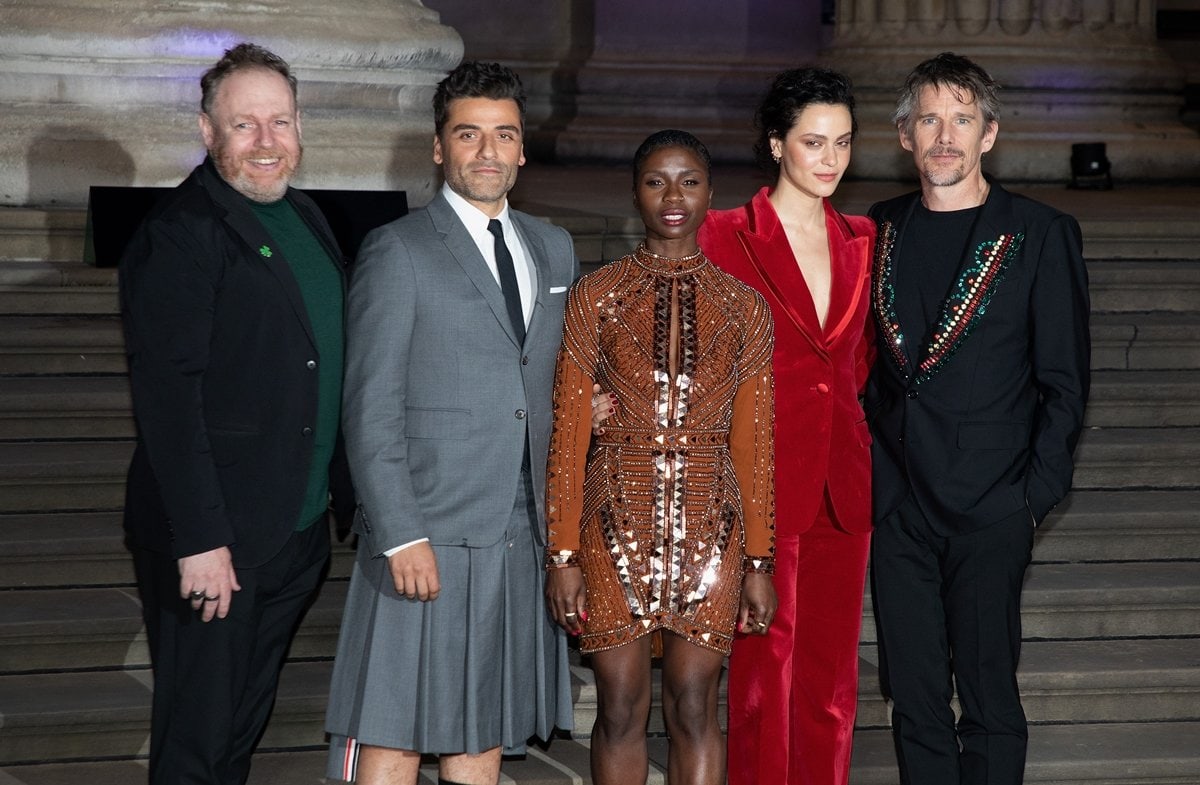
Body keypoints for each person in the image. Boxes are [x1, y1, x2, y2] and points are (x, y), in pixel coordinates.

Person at [324, 61, 576, 785]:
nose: (488, 152)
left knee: (485, 730)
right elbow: (369, 404)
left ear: (524, 149)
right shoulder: (396, 250)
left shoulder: (551, 247)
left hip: (518, 535)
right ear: (439, 148)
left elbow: (549, 380)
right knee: (395, 730)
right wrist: (401, 530)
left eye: (505, 135)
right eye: (469, 135)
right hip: (425, 534)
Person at [120, 42, 352, 784]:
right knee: (196, 741)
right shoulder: (181, 234)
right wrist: (201, 540)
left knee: (238, 730)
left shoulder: (305, 215)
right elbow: (168, 403)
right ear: (206, 130)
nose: (265, 143)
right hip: (216, 543)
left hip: (291, 531)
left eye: (279, 122)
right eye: (243, 124)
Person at [865, 52, 1090, 785]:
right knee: (916, 699)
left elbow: (1064, 382)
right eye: (929, 118)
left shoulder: (1038, 233)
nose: (945, 136)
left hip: (993, 505)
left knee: (990, 695)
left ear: (989, 133)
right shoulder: (879, 229)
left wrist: (1032, 499)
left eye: (962, 118)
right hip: (899, 505)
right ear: (905, 134)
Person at [545, 129, 778, 785]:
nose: (672, 196)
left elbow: (756, 445)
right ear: (635, 193)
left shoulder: (746, 307)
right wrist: (561, 553)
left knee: (695, 704)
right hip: (612, 517)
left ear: (710, 194)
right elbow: (566, 431)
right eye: (655, 181)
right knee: (619, 707)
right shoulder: (595, 295)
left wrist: (760, 559)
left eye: (689, 181)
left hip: (714, 527)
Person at [697, 67, 877, 785]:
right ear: (777, 145)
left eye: (842, 143)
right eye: (813, 142)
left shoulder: (863, 238)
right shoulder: (724, 234)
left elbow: (856, 362)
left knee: (831, 684)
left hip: (844, 480)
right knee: (761, 681)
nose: (830, 159)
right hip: (758, 484)